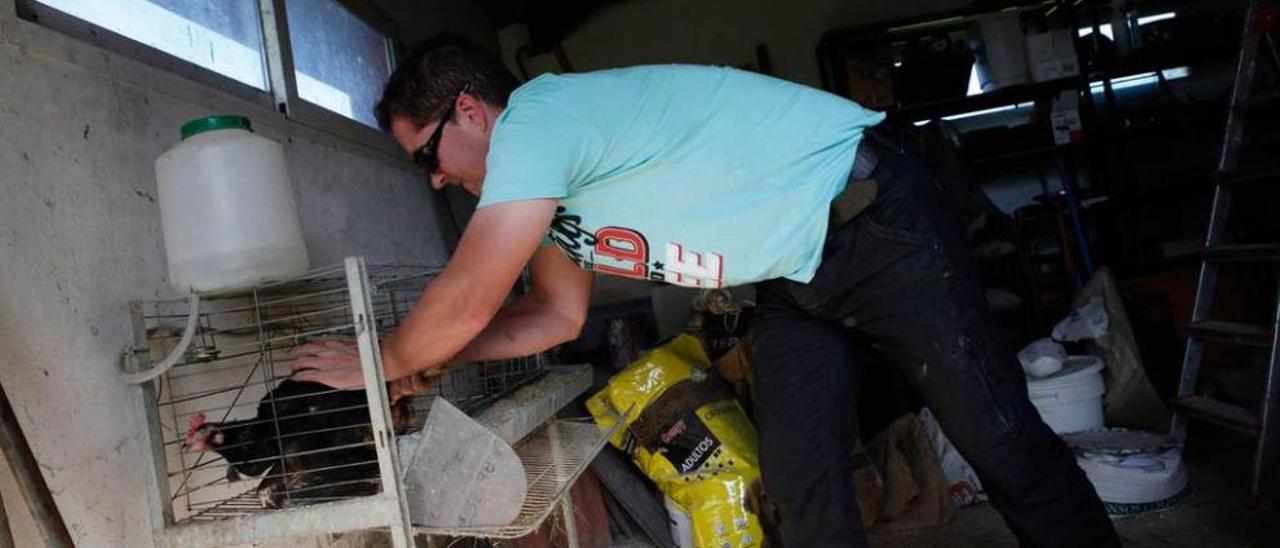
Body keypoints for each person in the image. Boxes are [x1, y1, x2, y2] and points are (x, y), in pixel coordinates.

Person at [291, 36, 1120, 547]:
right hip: (791, 280)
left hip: (873, 223)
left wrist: (383, 359)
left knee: (1000, 442)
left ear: (470, 110)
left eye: (428, 154)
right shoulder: (544, 197)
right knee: (802, 488)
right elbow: (553, 313)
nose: (437, 179)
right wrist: (436, 355)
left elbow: (470, 294)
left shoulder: (538, 120)